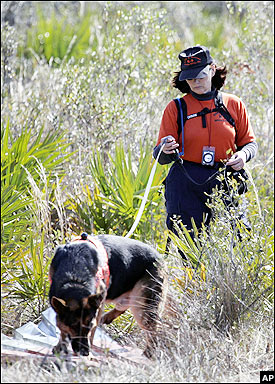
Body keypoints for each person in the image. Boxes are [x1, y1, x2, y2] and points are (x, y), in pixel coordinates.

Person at [153, 45, 257, 258]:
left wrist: (243, 156)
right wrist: (166, 149)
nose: (196, 82)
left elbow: (250, 144)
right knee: (189, 246)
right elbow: (160, 156)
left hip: (226, 176)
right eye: (190, 79)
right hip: (185, 181)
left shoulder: (233, 104)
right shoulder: (176, 108)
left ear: (211, 69)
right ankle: (193, 287)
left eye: (200, 76)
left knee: (240, 238)